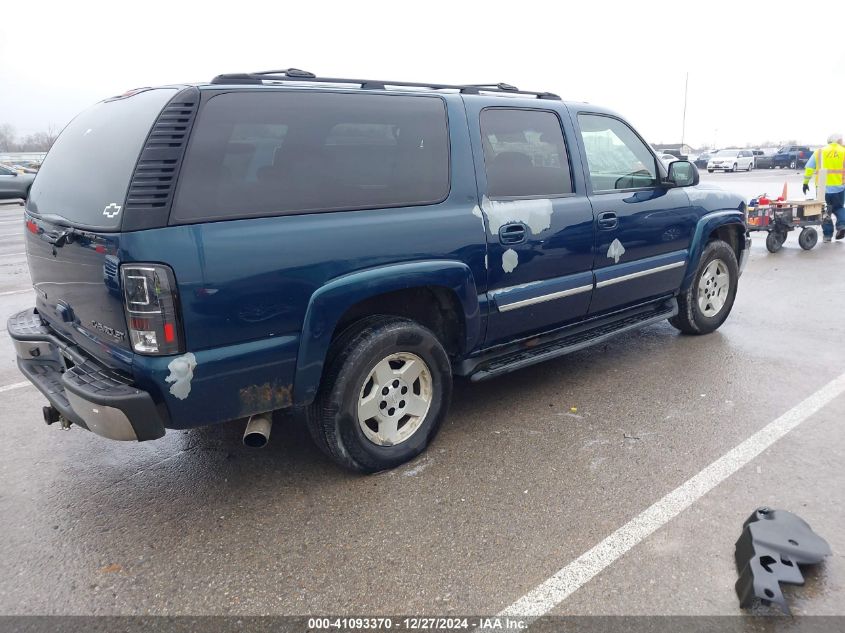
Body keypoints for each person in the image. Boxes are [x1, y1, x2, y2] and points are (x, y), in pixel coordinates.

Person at [802, 133, 845, 242]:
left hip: (822, 188)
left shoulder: (819, 151)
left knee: (825, 211)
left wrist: (805, 183)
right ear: (839, 140)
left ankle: (827, 236)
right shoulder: (843, 151)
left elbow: (809, 168)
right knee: (839, 208)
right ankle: (842, 225)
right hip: (839, 187)